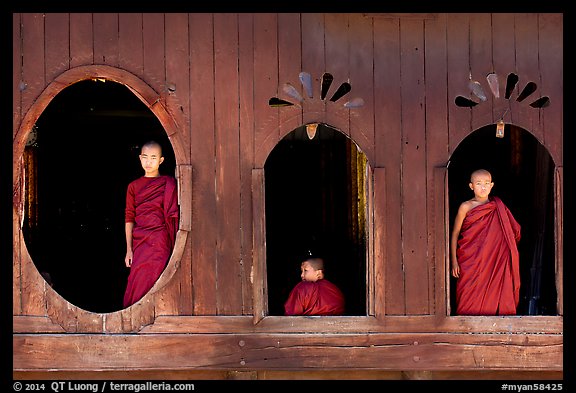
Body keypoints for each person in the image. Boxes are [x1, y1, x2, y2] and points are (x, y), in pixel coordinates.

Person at [450, 169, 521, 315]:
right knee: (467, 295)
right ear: (471, 186)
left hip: (495, 261)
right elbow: (455, 233)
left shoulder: (499, 207)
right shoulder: (466, 207)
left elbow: (512, 233)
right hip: (470, 261)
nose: (483, 187)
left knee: (496, 294)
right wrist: (454, 261)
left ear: (492, 185)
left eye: (486, 183)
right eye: (478, 183)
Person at [123, 140, 179, 308]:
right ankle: (135, 313)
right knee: (138, 278)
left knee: (158, 277)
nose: (149, 162)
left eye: (153, 158)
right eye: (145, 157)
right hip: (140, 240)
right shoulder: (133, 186)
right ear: (140, 158)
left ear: (161, 160)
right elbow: (129, 218)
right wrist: (128, 249)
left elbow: (173, 213)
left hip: (160, 240)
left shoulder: (168, 184)